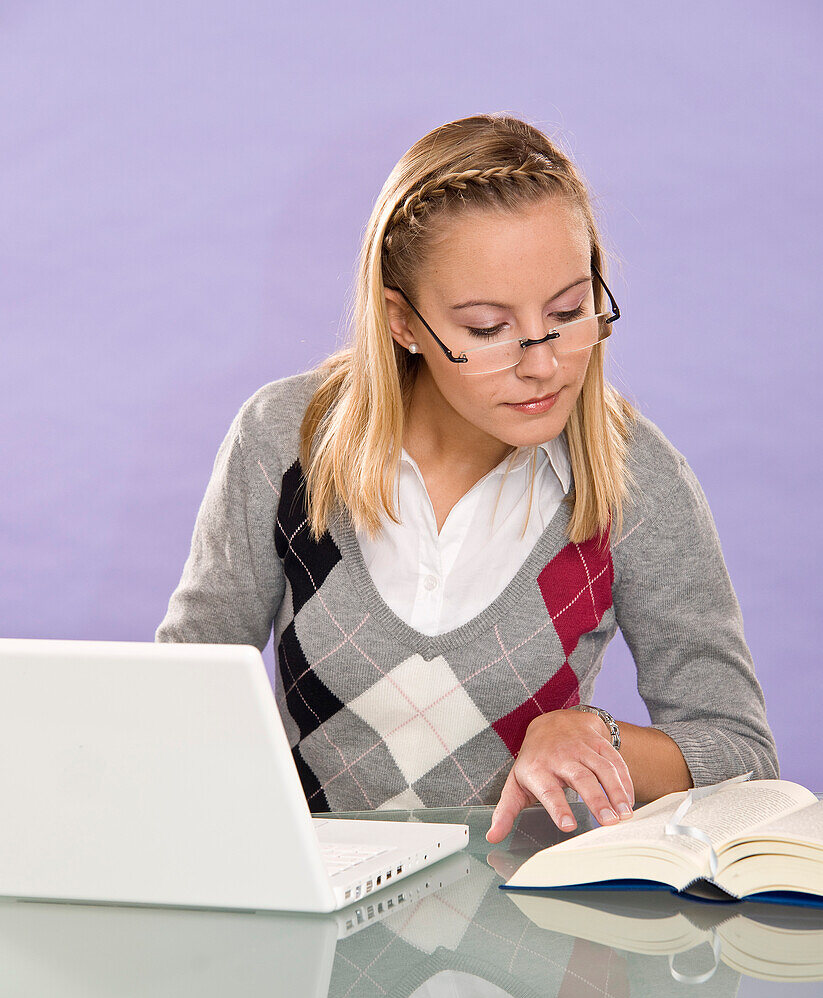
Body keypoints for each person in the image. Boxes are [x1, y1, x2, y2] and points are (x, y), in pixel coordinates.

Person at [155, 112, 779, 843]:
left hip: (532, 934)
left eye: (569, 310)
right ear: (402, 321)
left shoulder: (634, 479)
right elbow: (181, 698)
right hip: (314, 918)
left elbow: (741, 754)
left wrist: (598, 735)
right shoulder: (286, 440)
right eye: (486, 328)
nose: (542, 363)